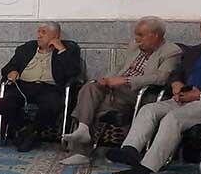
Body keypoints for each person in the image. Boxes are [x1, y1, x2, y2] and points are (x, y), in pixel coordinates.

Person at [107, 14, 201, 174]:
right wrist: (176, 84)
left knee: (172, 118)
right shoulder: (194, 51)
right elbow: (175, 74)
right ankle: (130, 150)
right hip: (181, 98)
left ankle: (145, 169)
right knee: (148, 109)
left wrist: (200, 95)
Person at [59, 17, 182, 164]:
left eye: (141, 35)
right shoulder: (134, 47)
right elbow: (119, 67)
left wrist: (126, 81)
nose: (137, 39)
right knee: (90, 87)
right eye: (136, 35)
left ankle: (82, 150)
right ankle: (83, 130)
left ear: (155, 35)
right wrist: (106, 78)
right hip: (117, 90)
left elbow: (161, 77)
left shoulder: (171, 51)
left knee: (92, 105)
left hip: (141, 93)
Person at [0, 21, 83, 151]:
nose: (39, 35)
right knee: (4, 104)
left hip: (49, 88)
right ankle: (24, 130)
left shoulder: (68, 50)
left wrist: (62, 50)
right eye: (38, 32)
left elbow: (73, 73)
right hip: (23, 86)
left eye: (43, 32)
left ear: (56, 36)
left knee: (53, 105)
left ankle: (31, 132)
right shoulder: (26, 49)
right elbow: (7, 67)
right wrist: (11, 71)